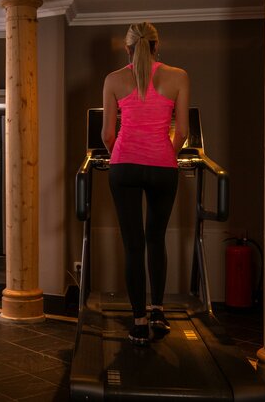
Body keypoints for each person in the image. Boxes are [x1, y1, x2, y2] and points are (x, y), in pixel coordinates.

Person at [101, 22, 189, 346]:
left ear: (128, 48)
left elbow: (107, 135)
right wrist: (165, 153)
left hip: (124, 166)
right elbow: (182, 132)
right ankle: (158, 312)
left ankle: (138, 321)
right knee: (156, 238)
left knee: (133, 245)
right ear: (156, 46)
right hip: (163, 167)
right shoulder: (179, 77)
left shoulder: (113, 80)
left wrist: (123, 156)